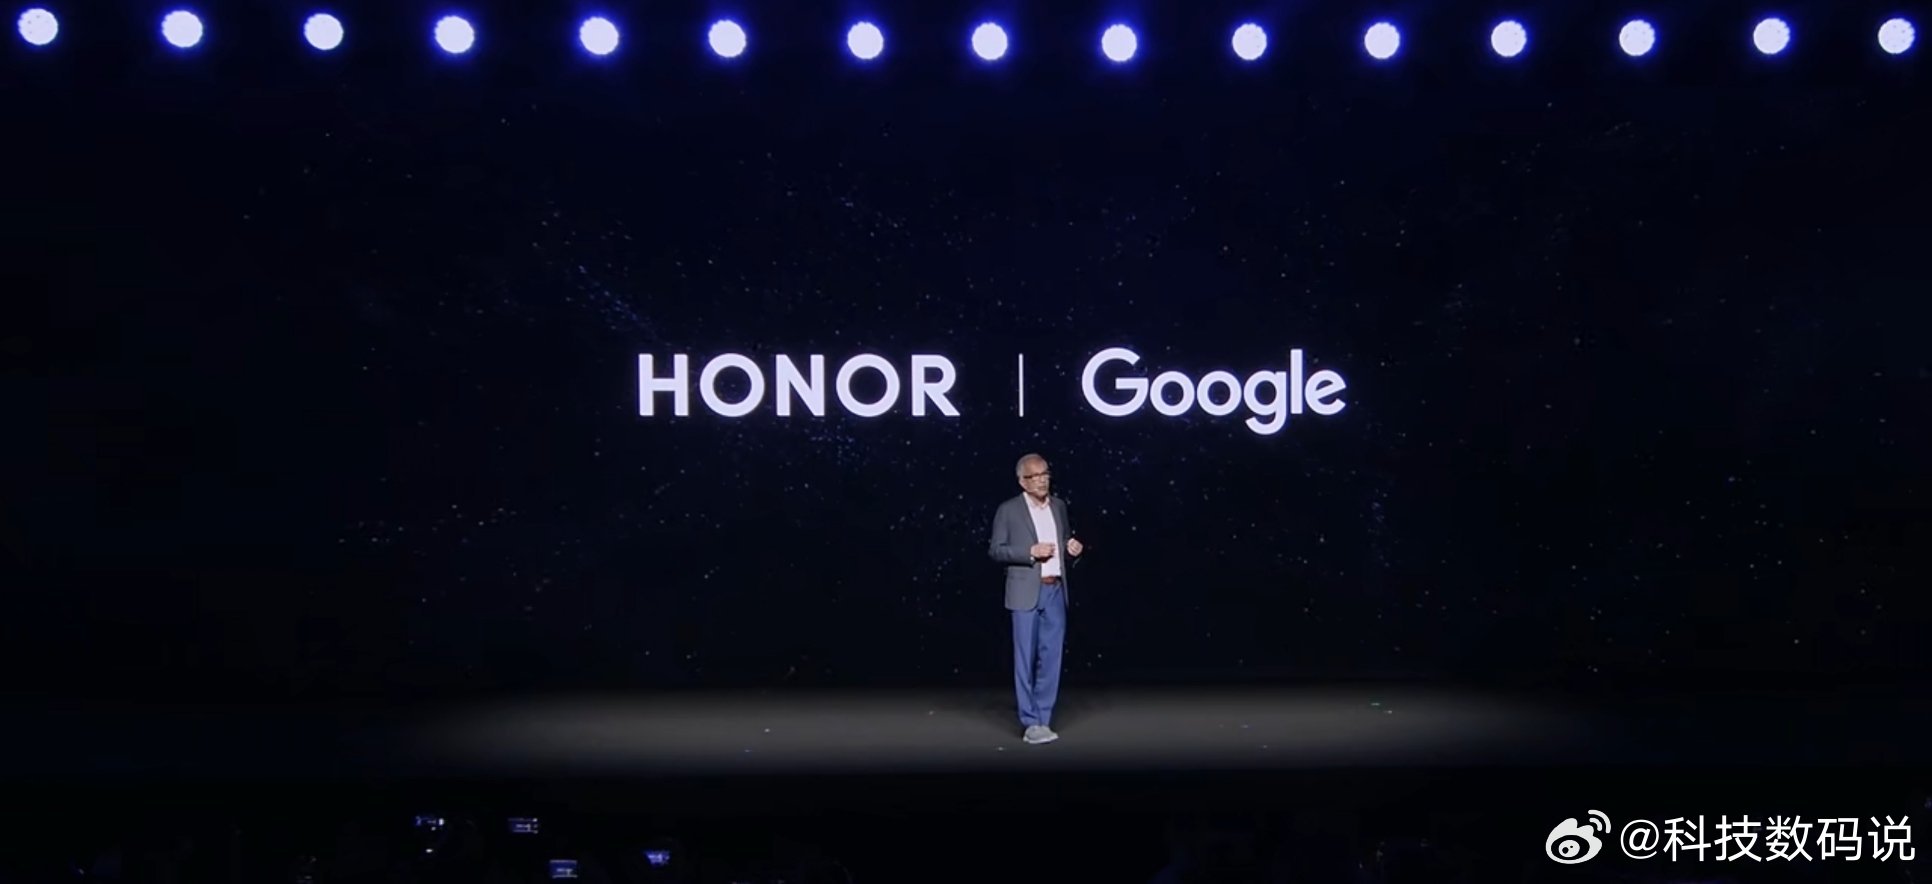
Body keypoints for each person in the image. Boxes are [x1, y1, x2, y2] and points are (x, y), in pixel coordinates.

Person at [986, 453, 1084, 744]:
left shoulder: (1059, 506)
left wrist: (1071, 550)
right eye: (1034, 476)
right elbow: (996, 550)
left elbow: (1062, 544)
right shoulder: (1008, 510)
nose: (1042, 480)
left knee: (1051, 657)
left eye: (1045, 474)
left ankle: (1043, 718)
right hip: (1026, 591)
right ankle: (1030, 722)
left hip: (1055, 590)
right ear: (1022, 481)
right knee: (1025, 659)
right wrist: (1030, 552)